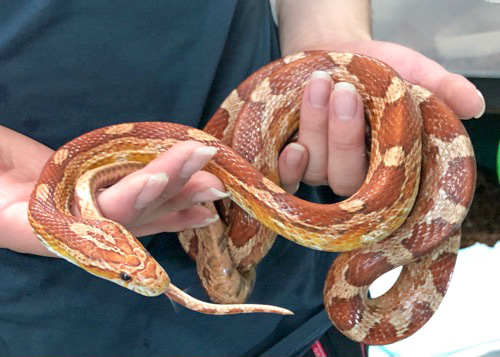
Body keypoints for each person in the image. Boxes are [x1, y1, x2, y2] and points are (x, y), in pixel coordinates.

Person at [0, 0, 485, 355]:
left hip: (296, 307)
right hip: (47, 323)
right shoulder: (58, 215)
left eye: (134, 269)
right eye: (130, 272)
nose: (150, 276)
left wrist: (327, 33)